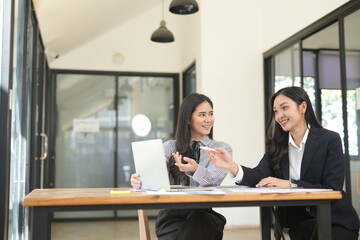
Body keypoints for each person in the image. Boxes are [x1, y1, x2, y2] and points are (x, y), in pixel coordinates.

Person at [207, 86, 360, 240]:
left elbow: (332, 188)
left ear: (303, 107)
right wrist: (231, 166)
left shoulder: (330, 140)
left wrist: (290, 184)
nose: (279, 115)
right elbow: (259, 175)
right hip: (302, 224)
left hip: (334, 220)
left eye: (284, 108)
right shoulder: (277, 146)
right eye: (275, 111)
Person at [130, 93, 232, 240]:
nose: (208, 119)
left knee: (198, 224)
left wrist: (195, 169)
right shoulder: (170, 148)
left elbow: (214, 180)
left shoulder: (221, 149)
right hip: (172, 216)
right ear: (188, 119)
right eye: (202, 115)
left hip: (203, 215)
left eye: (211, 114)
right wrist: (139, 181)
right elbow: (152, 175)